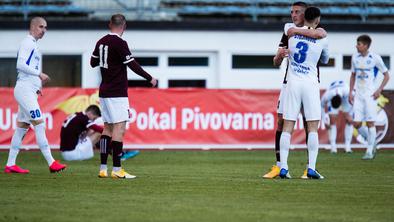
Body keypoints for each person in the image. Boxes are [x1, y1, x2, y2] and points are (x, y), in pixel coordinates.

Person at [263, 1, 327, 179]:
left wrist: (296, 32)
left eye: (297, 12)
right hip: (289, 82)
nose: (293, 15)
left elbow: (321, 33)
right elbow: (276, 62)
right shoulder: (290, 30)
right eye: (291, 12)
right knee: (282, 122)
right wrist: (278, 56)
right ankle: (280, 166)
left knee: (307, 124)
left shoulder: (308, 30)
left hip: (301, 81)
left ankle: (308, 168)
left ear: (305, 14)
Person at [90, 14, 157, 179]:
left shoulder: (101, 41)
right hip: (117, 92)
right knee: (119, 129)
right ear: (124, 26)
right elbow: (132, 64)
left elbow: (93, 63)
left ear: (109, 24)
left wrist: (108, 63)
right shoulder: (120, 43)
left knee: (107, 128)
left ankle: (103, 169)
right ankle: (117, 170)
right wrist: (150, 78)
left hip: (104, 91)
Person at [4, 17, 67, 174]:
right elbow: (20, 64)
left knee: (22, 128)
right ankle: (51, 162)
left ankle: (10, 164)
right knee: (39, 123)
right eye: (41, 27)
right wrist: (39, 74)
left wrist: (37, 86)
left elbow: (28, 69)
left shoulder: (33, 45)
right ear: (32, 27)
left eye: (45, 27)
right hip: (24, 90)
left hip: (28, 90)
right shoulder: (27, 43)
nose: (44, 30)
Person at [349, 35, 390, 160]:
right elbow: (353, 75)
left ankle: (369, 151)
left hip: (370, 95)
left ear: (366, 46)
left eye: (359, 44)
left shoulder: (375, 58)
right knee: (356, 123)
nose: (357, 46)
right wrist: (351, 91)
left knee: (370, 123)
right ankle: (373, 143)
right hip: (358, 95)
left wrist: (379, 90)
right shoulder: (354, 58)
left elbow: (386, 75)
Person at [321, 80, 354, 153]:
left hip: (346, 97)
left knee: (349, 120)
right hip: (334, 94)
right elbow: (321, 106)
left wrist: (351, 114)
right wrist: (324, 119)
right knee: (332, 121)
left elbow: (356, 103)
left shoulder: (348, 92)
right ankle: (333, 147)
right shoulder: (327, 96)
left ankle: (348, 147)